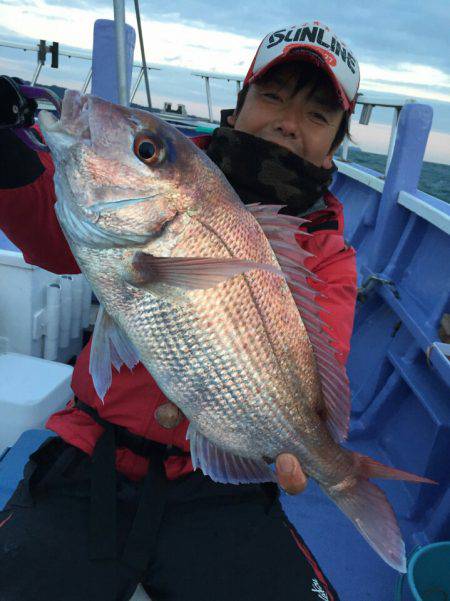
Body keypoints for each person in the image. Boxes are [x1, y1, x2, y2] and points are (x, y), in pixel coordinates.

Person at [0, 21, 359, 601]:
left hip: (217, 483)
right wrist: (9, 161)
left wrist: (304, 446)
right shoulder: (168, 177)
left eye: (318, 115)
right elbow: (52, 233)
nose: (289, 122)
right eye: (272, 96)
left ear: (336, 142)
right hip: (92, 450)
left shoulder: (330, 254)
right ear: (238, 106)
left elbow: (318, 362)